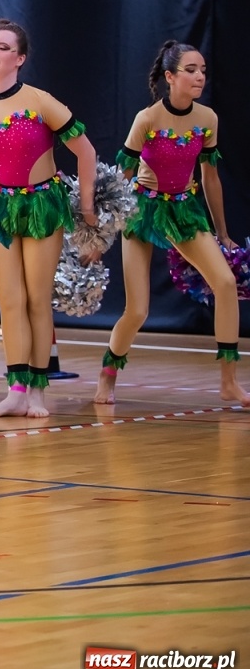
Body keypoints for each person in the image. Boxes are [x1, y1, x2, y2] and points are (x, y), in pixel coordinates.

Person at [0, 19, 98, 419]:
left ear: (20, 58)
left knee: (35, 299)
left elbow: (86, 152)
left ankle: (38, 391)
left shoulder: (41, 101)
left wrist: (85, 206)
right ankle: (15, 390)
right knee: (10, 301)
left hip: (43, 205)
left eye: (3, 47)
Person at [97, 41, 246, 406]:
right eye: (191, 70)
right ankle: (107, 375)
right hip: (142, 209)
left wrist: (222, 232)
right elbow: (121, 176)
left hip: (183, 209)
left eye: (203, 70)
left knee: (225, 283)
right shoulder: (147, 119)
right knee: (138, 310)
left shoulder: (207, 119)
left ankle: (229, 381)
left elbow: (210, 178)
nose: (200, 77)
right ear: (170, 76)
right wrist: (100, 236)